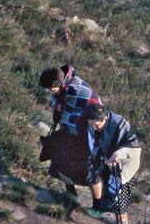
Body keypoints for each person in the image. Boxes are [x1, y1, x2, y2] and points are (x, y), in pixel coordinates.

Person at [37, 65, 103, 195]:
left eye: (51, 89)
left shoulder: (75, 90)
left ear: (58, 84)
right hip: (77, 128)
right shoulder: (64, 87)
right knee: (60, 158)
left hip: (89, 131)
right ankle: (71, 193)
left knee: (88, 171)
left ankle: (98, 206)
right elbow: (60, 110)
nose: (51, 92)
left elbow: (68, 117)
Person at [84, 104, 142, 224]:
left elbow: (133, 147)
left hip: (128, 159)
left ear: (105, 118)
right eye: (91, 125)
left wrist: (118, 154)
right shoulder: (95, 123)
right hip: (112, 159)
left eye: (96, 125)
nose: (94, 127)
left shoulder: (119, 124)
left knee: (118, 191)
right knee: (111, 189)